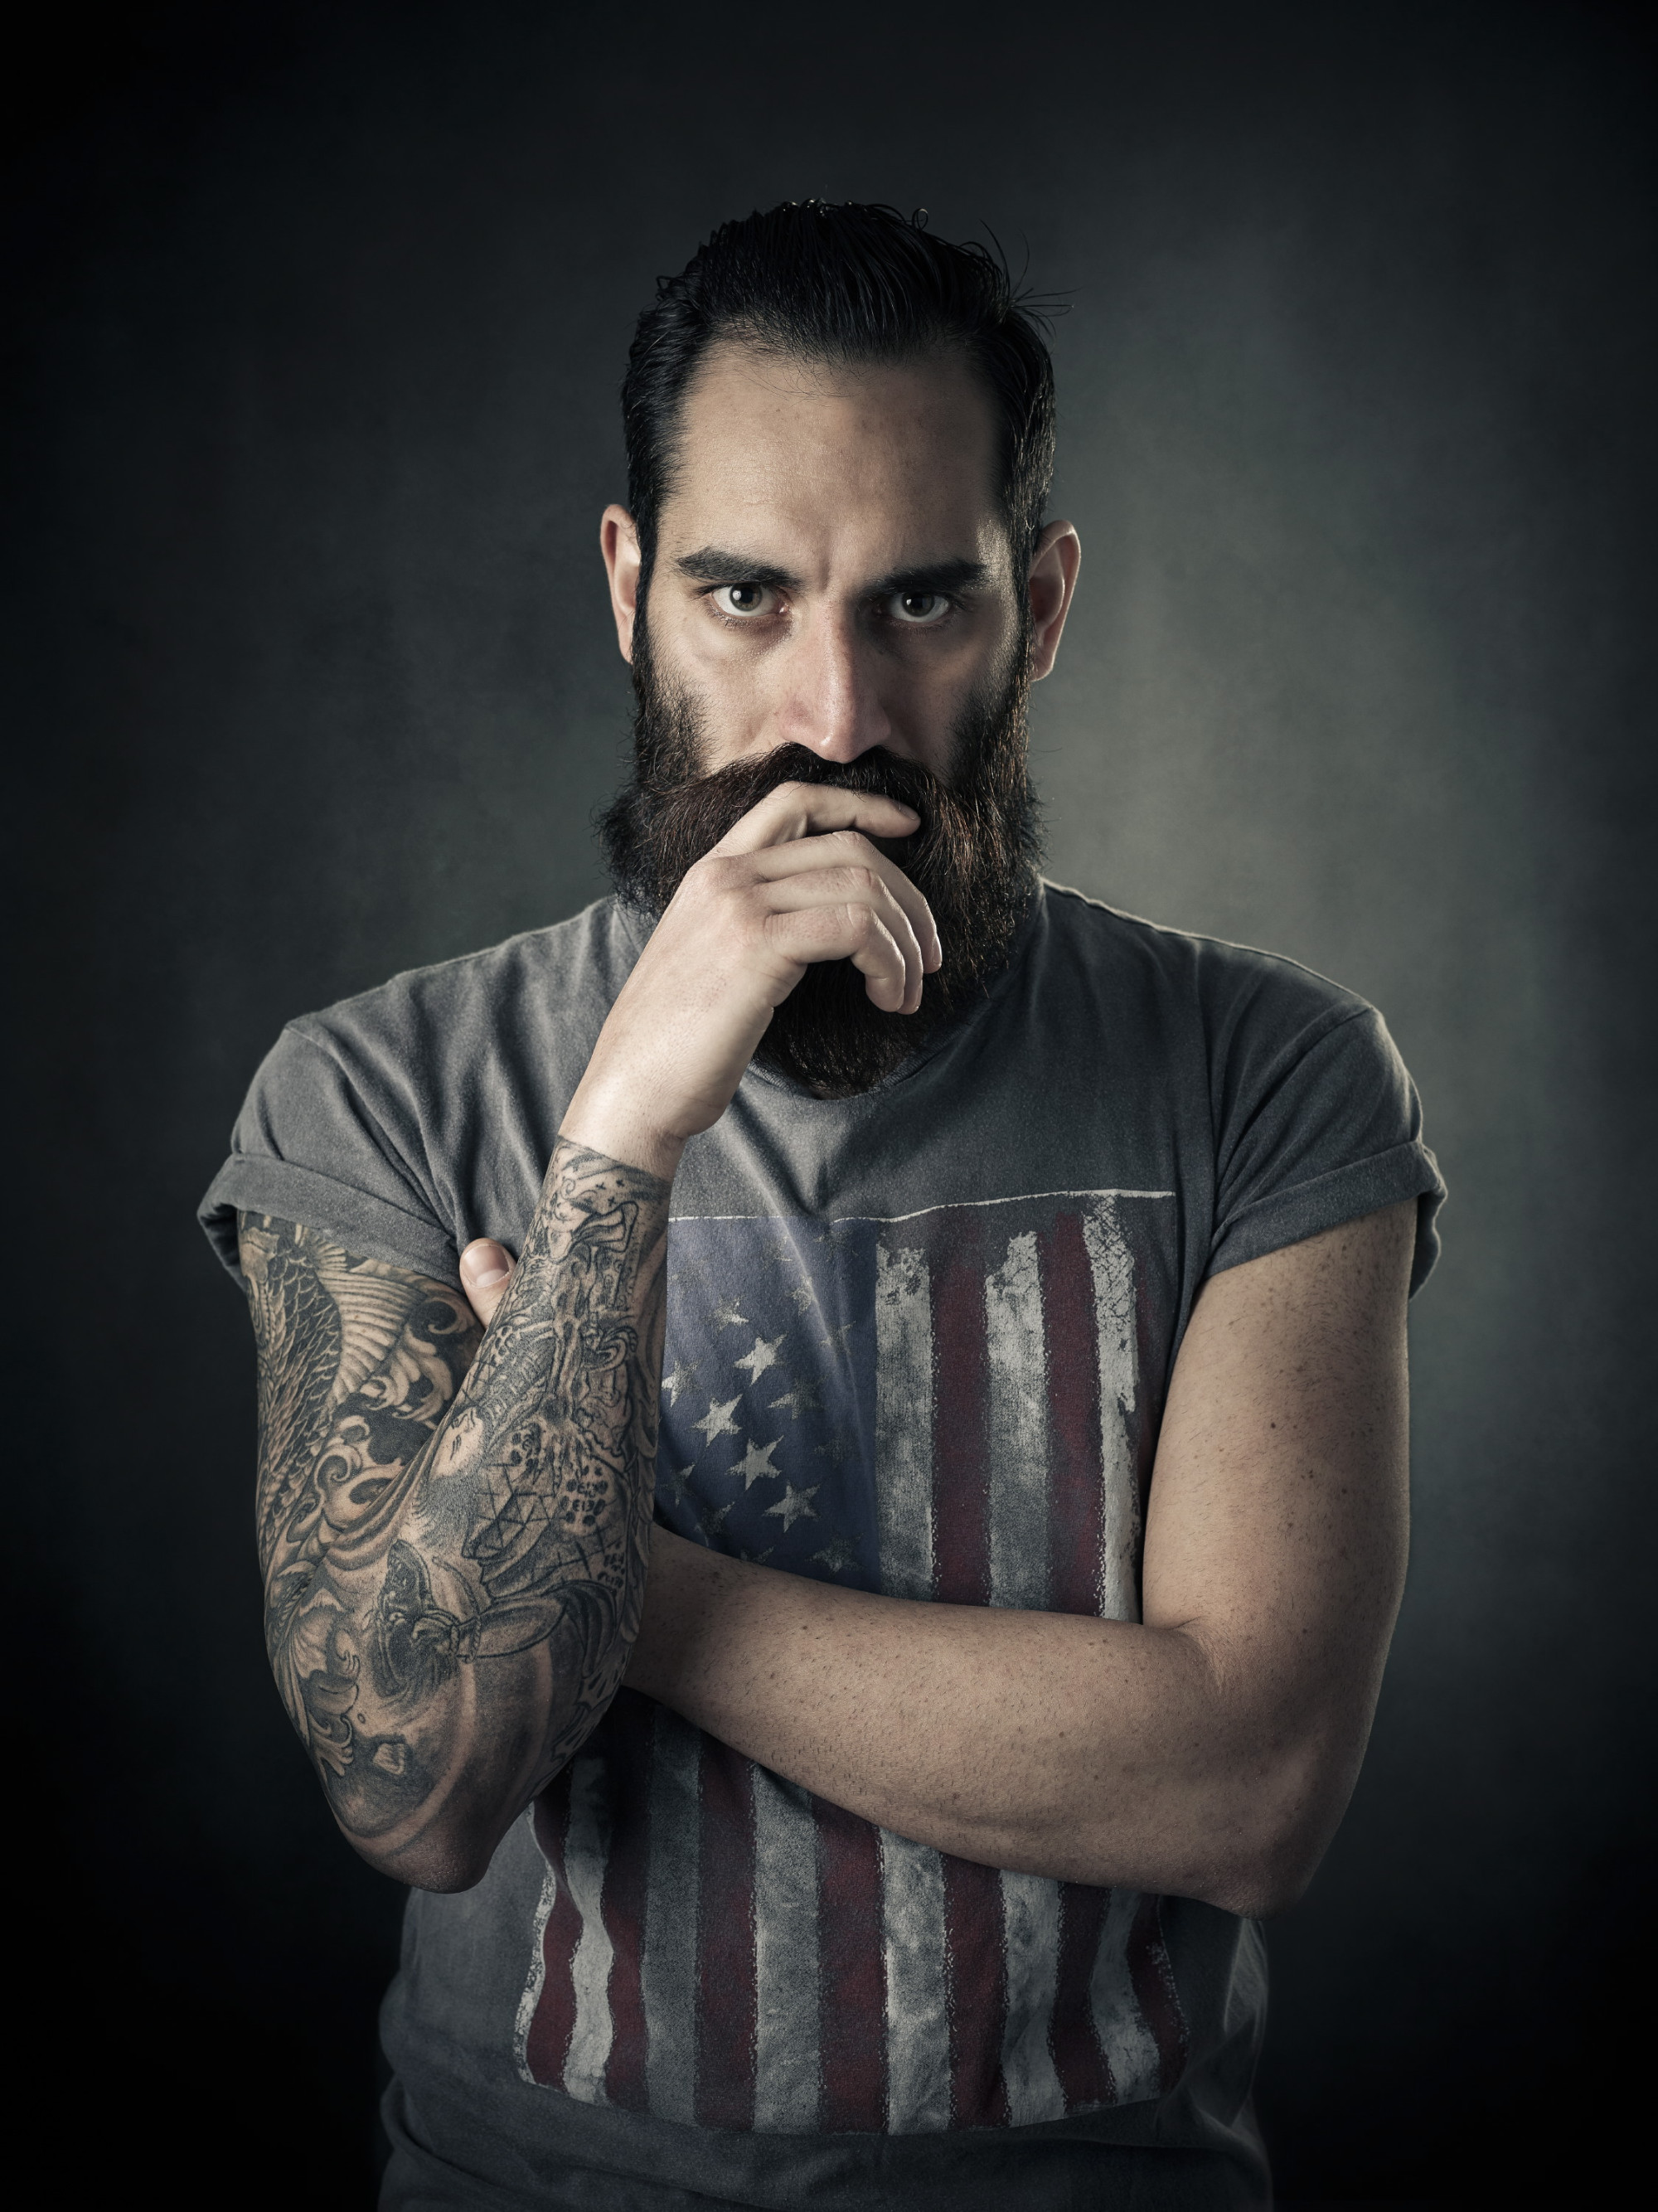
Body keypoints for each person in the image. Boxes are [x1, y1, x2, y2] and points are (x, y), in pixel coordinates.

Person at [200, 201, 1445, 2210]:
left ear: (1040, 606)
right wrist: (621, 1128)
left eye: (921, 601)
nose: (835, 713)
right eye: (745, 596)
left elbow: (1248, 1788)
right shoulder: (377, 1091)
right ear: (631, 589)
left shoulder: (1271, 1076)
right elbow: (411, 1781)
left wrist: (611, 1575)